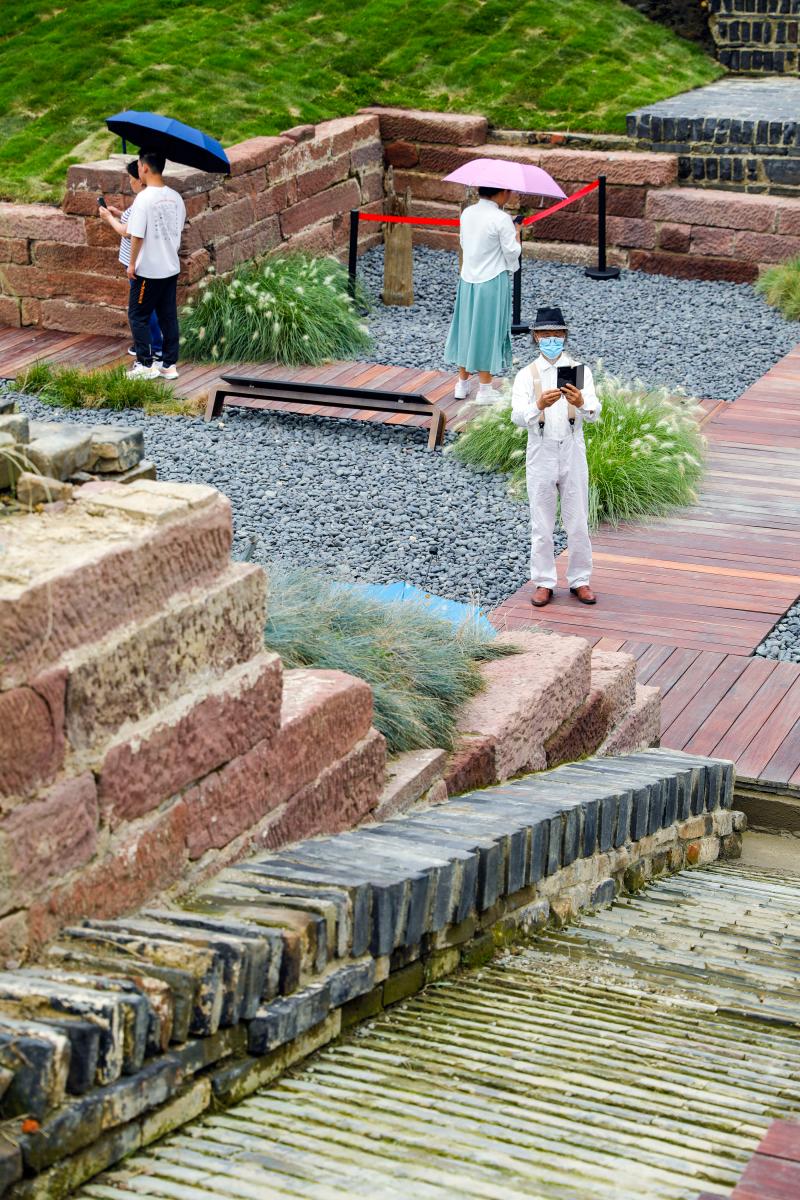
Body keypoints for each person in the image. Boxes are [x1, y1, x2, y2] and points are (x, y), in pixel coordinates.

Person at [511, 305, 601, 608]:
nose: (552, 338)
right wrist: (537, 405)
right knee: (542, 520)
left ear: (565, 336)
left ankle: (580, 580)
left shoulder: (581, 370)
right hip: (541, 448)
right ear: (536, 337)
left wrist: (582, 401)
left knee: (577, 519)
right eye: (546, 334)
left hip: (573, 446)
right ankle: (544, 581)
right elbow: (517, 416)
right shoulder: (527, 375)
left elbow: (594, 412)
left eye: (557, 334)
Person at [444, 186, 521, 406]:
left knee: (465, 327)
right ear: (502, 192)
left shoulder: (467, 213)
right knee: (487, 330)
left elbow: (463, 242)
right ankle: (485, 388)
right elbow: (511, 252)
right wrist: (517, 235)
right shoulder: (501, 218)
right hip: (492, 280)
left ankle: (462, 383)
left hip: (468, 278)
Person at [125, 149, 186, 381]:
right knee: (168, 316)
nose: (138, 170)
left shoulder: (144, 198)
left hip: (148, 271)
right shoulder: (175, 197)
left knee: (138, 315)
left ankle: (145, 364)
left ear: (145, 168)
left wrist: (132, 265)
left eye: (139, 166)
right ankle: (169, 365)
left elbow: (137, 235)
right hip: (170, 267)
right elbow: (177, 229)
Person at [98, 160, 163, 366]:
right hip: (150, 261)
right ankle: (152, 344)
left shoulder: (143, 201)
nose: (130, 182)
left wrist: (109, 218)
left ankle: (156, 348)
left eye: (131, 178)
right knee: (148, 306)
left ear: (140, 179)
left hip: (140, 265)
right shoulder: (152, 197)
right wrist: (119, 214)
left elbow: (127, 232)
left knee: (142, 309)